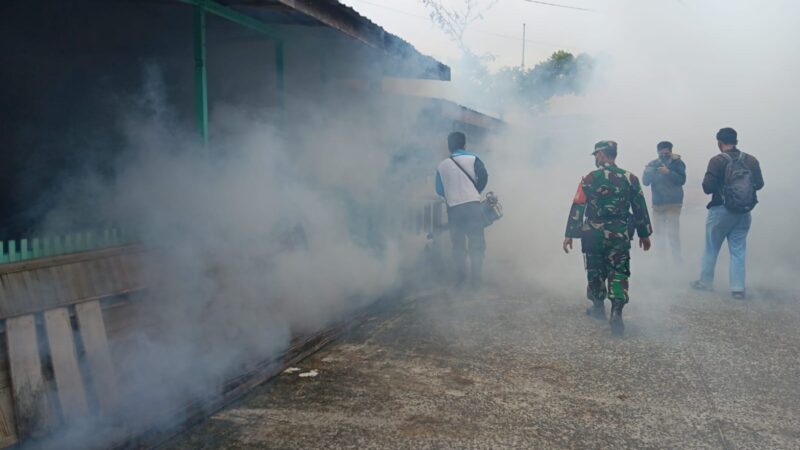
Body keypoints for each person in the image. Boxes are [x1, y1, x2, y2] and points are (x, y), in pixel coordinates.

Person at [563, 141, 652, 335]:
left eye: (596, 155)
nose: (596, 158)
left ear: (602, 155)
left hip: (593, 232)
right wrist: (644, 234)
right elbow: (640, 208)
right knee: (619, 271)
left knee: (595, 269)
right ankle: (617, 312)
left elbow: (578, 205)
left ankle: (597, 306)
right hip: (619, 232)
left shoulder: (589, 178)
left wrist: (570, 233)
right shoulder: (631, 178)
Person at [691, 128, 764, 299]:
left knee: (711, 248)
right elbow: (759, 184)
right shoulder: (751, 160)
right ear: (736, 141)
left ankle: (705, 282)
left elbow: (707, 187)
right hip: (744, 211)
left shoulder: (717, 161)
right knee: (738, 251)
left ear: (719, 142)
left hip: (721, 210)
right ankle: (737, 288)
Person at [435, 131, 488, 289]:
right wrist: (475, 191)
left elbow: (439, 189)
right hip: (472, 206)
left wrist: (452, 195)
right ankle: (476, 281)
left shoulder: (441, 165)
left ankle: (460, 280)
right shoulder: (473, 158)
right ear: (464, 144)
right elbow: (484, 177)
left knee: (458, 245)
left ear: (449, 147)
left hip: (454, 209)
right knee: (476, 242)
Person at [642, 141, 686, 261]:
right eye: (661, 151)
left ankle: (677, 262)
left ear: (670, 151)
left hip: (673, 204)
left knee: (673, 235)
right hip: (658, 205)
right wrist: (647, 172)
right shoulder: (653, 164)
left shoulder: (678, 163)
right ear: (657, 151)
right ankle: (661, 263)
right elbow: (645, 182)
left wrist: (668, 173)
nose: (663, 153)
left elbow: (681, 180)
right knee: (659, 235)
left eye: (666, 150)